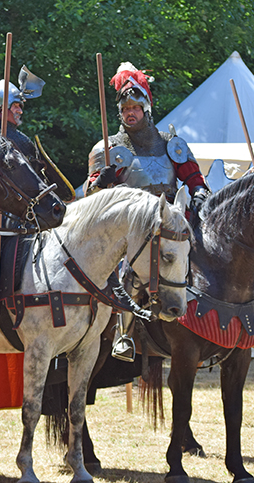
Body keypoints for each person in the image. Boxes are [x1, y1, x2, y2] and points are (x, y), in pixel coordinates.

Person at [83, 62, 208, 361]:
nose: (130, 113)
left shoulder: (170, 144)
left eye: (135, 107)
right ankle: (123, 335)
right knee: (128, 270)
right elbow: (89, 196)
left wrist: (200, 192)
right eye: (125, 108)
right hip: (130, 226)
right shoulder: (109, 148)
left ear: (146, 108)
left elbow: (194, 178)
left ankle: (208, 313)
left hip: (169, 220)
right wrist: (102, 182)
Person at [0, 66, 75, 358]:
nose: (21, 111)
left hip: (21, 222)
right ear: (0, 106)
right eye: (16, 105)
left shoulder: (20, 140)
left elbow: (36, 182)